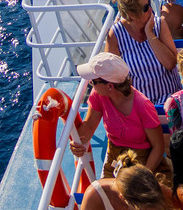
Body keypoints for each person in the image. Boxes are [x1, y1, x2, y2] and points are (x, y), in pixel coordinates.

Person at [69, 53, 170, 181]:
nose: (90, 84)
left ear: (110, 86)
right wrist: (77, 143)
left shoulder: (143, 106)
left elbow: (158, 147)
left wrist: (144, 176)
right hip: (115, 158)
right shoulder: (98, 95)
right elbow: (88, 126)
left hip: (143, 159)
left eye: (93, 81)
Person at [105, 0, 182, 104]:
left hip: (171, 99)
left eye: (149, 4)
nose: (151, 9)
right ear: (131, 15)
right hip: (141, 104)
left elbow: (171, 63)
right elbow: (112, 75)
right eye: (146, 8)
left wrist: (150, 34)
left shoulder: (159, 24)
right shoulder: (115, 34)